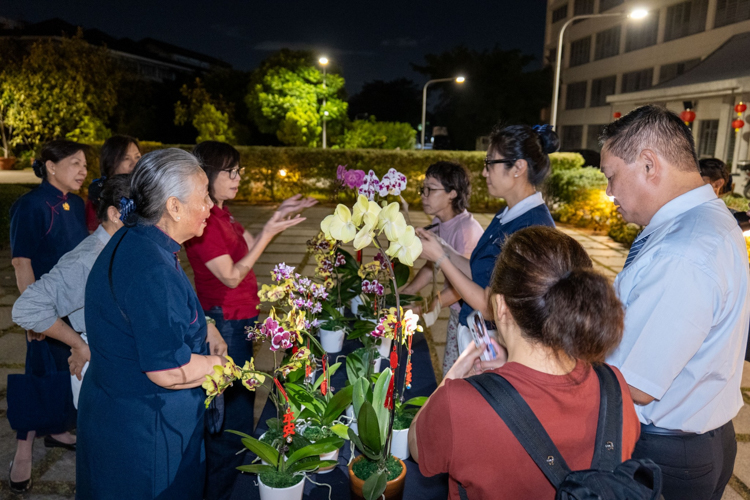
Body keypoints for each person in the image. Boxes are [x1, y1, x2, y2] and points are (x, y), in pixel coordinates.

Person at [409, 226, 640, 499]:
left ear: (502, 306)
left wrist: (457, 372)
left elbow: (416, 446)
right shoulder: (615, 387)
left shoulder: (458, 403)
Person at [600, 105, 750, 500]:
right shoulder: (708, 218)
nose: (609, 192)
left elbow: (636, 382)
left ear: (649, 164)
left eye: (611, 177)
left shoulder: (681, 251)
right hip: (700, 437)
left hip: (665, 452)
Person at [77, 148, 226, 499]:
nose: (211, 207)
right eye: (204, 197)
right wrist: (220, 367)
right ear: (173, 207)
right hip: (146, 431)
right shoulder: (151, 269)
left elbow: (152, 317)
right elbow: (168, 371)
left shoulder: (136, 239)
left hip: (115, 412)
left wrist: (206, 327)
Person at [184, 140, 316, 500]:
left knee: (240, 409)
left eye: (238, 170)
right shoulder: (205, 223)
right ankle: (220, 491)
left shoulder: (222, 215)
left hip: (240, 321)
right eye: (231, 171)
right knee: (229, 421)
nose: (238, 177)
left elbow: (249, 245)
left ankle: (228, 485)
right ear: (207, 175)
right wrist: (271, 230)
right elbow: (230, 274)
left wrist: (279, 214)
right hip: (222, 325)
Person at [416, 124, 558, 355]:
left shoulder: (533, 229)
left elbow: (492, 307)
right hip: (477, 338)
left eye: (490, 163)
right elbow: (480, 271)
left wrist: (441, 259)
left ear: (518, 167)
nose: (484, 172)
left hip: (498, 352)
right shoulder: (508, 214)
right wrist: (441, 247)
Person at [8, 139, 89, 493]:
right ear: (51, 166)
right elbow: (22, 262)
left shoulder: (77, 203)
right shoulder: (31, 205)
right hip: (45, 307)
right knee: (38, 374)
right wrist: (32, 316)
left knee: (66, 369)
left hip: (74, 306)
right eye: (75, 163)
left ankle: (57, 430)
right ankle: (23, 451)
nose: (83, 170)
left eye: (85, 164)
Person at [12, 174, 131, 410]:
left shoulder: (124, 247)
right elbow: (28, 307)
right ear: (115, 214)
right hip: (102, 368)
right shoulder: (89, 258)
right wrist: (78, 344)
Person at [400, 161, 483, 375]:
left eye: (431, 189)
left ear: (452, 194)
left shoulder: (466, 230)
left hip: (472, 317)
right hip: (457, 314)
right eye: (423, 189)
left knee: (462, 374)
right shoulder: (439, 223)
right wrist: (406, 291)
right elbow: (432, 266)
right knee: (450, 369)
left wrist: (423, 309)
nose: (424, 195)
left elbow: (461, 287)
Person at [85, 135, 142, 231]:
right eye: (126, 158)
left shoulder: (146, 191)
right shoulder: (99, 197)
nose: (134, 163)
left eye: (137, 157)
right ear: (110, 163)